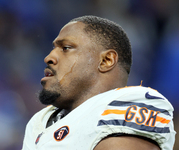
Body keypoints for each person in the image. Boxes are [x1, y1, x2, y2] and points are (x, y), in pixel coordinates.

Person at [22, 15, 175, 150]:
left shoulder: (128, 106)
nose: (49, 57)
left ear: (106, 60)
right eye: (54, 48)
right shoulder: (40, 121)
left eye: (66, 48)